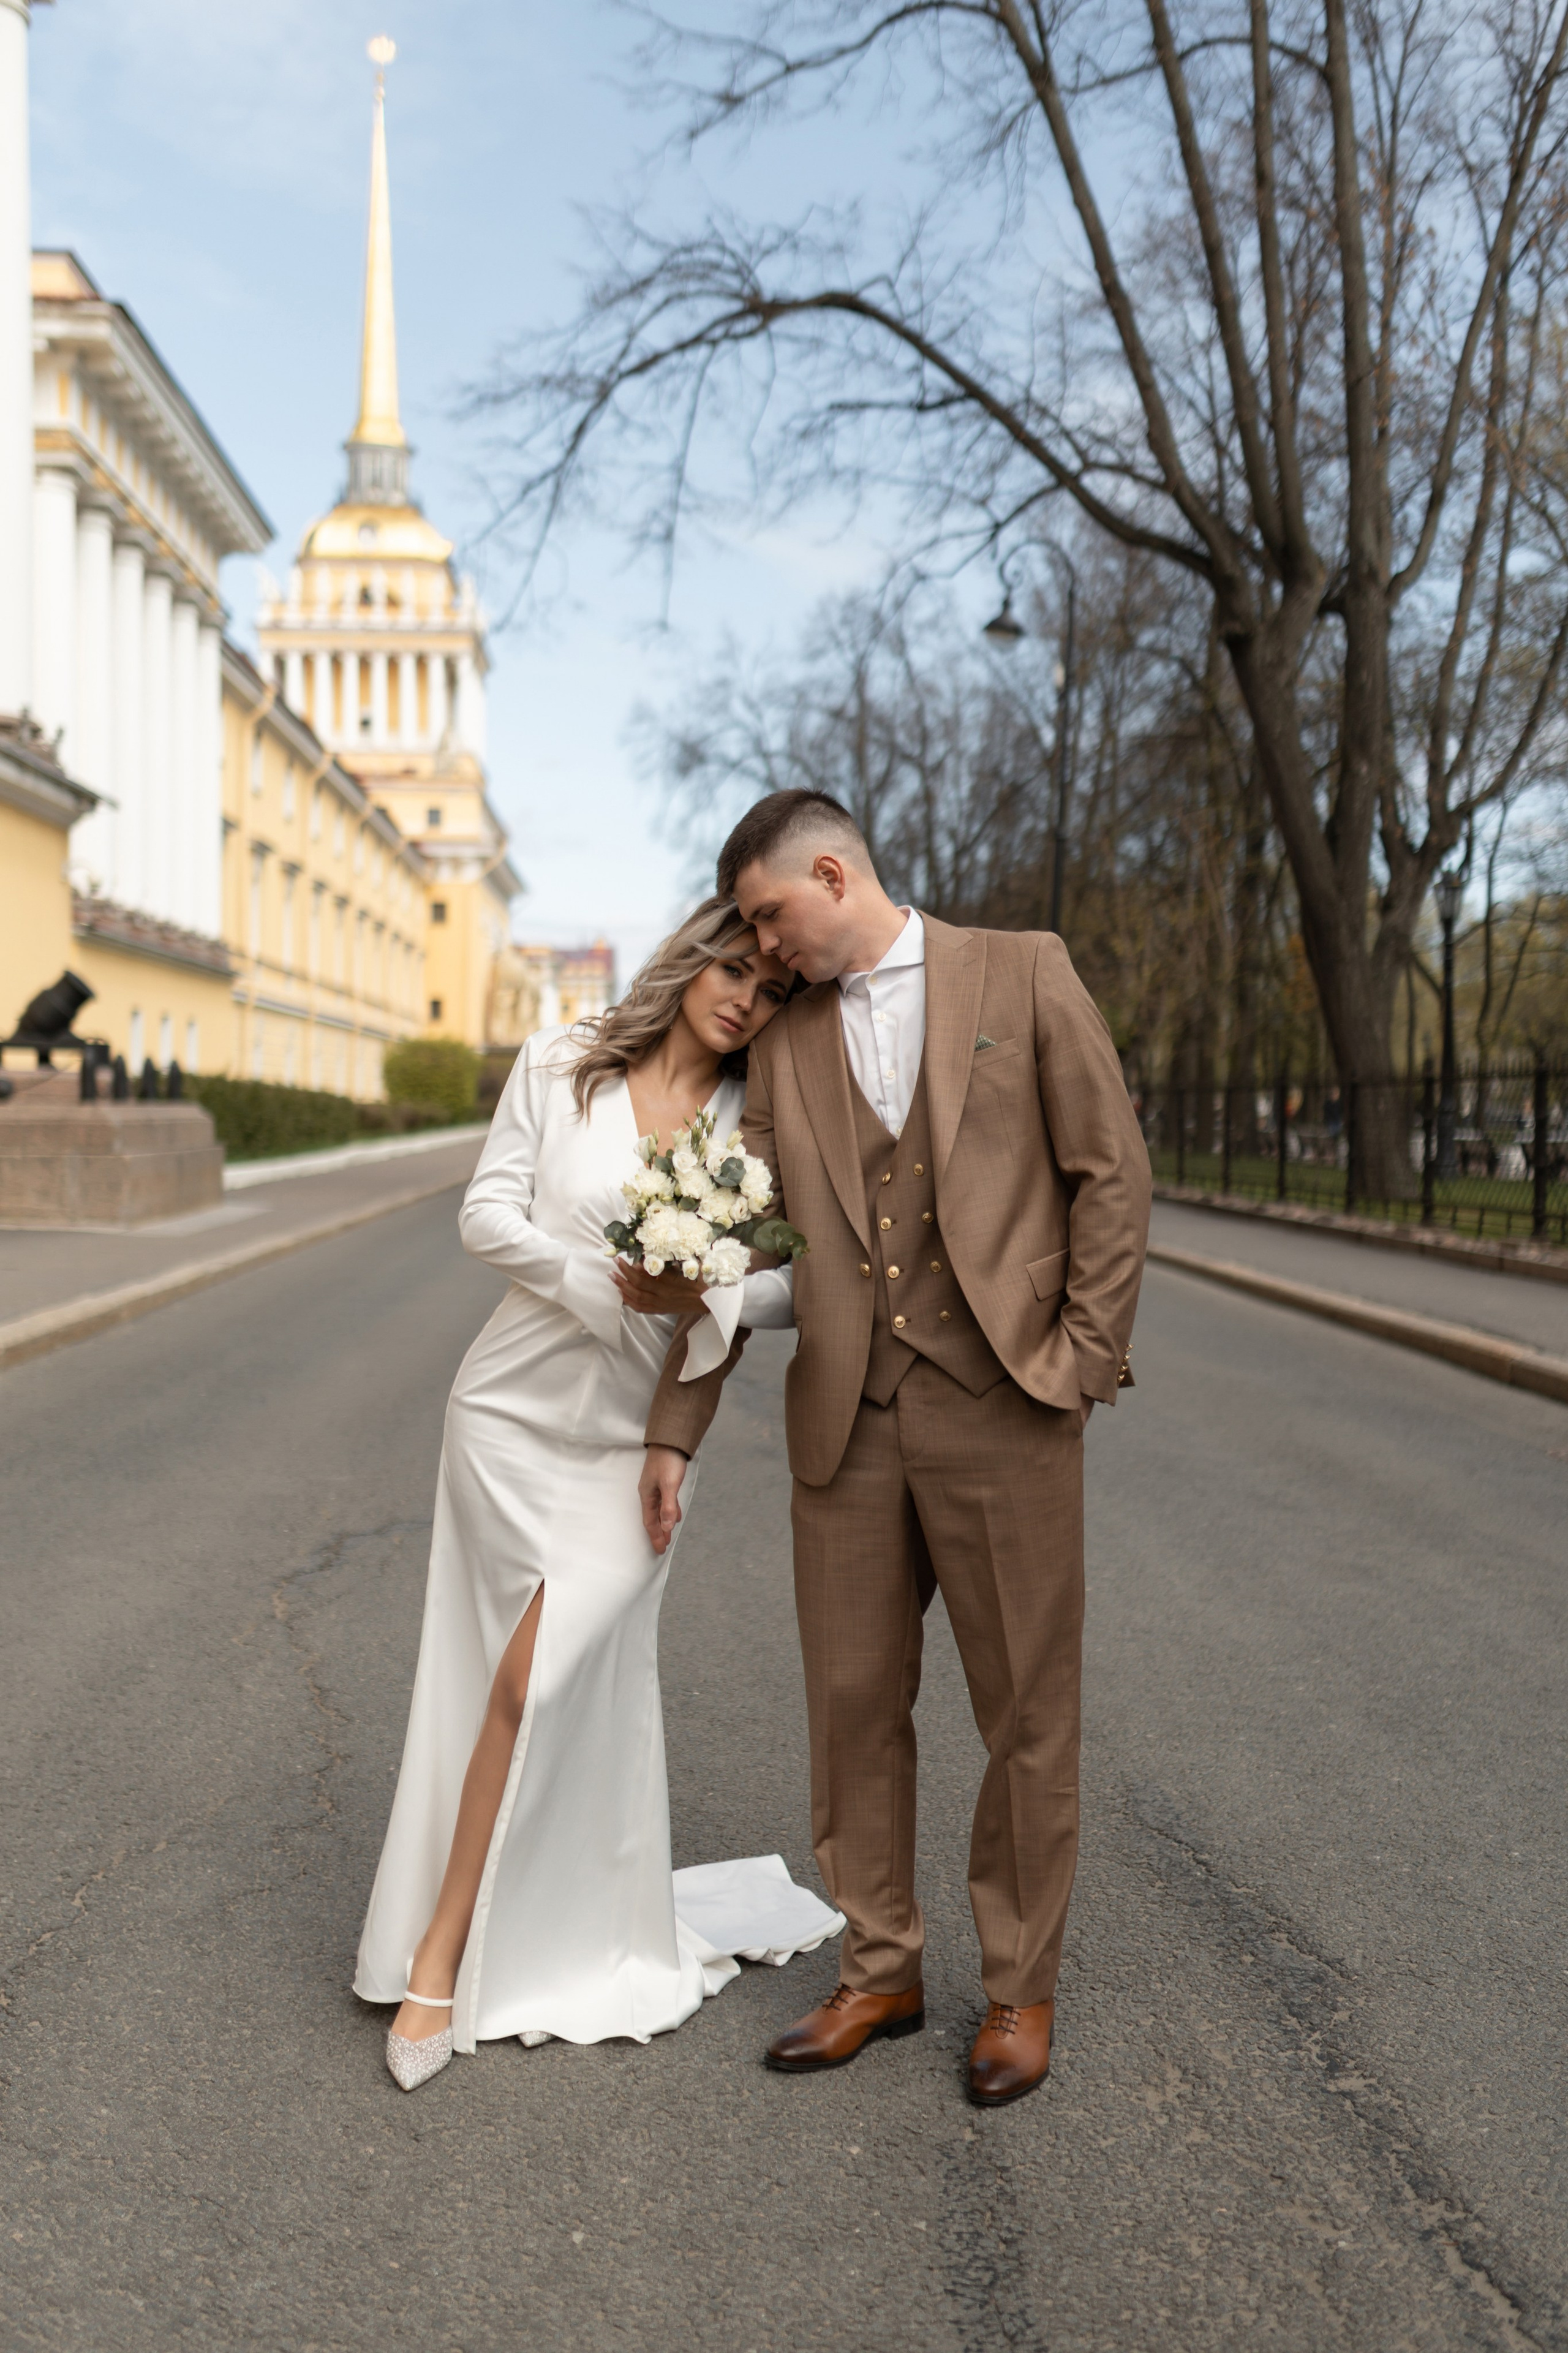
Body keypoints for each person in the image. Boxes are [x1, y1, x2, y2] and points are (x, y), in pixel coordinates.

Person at [630, 792, 1151, 2107]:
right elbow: (748, 1239)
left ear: (829, 869)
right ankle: (880, 1967)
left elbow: (1110, 1170)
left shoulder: (1021, 968)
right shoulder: (791, 1041)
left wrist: (1080, 1359)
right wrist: (672, 1385)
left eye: (766, 915)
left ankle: (1018, 1988)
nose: (761, 948)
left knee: (1023, 1712)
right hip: (845, 1420)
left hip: (1003, 1402)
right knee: (851, 1708)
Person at [355, 897, 842, 2091]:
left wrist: (703, 1287)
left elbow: (789, 1285)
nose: (741, 997)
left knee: (543, 1675)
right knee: (490, 1682)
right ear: (687, 960)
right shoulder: (562, 1059)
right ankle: (434, 1946)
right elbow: (483, 1215)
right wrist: (600, 1281)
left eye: (768, 989)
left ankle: (454, 1951)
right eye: (729, 968)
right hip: (507, 1415)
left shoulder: (753, 1123)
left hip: (632, 1440)